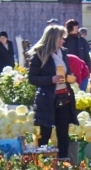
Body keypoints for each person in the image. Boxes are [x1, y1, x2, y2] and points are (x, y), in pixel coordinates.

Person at [28, 25, 78, 159]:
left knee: (63, 134)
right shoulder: (39, 54)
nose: (63, 41)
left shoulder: (63, 53)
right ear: (53, 38)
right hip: (47, 100)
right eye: (61, 38)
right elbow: (32, 78)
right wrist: (51, 79)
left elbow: (66, 71)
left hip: (64, 98)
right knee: (45, 134)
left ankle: (63, 163)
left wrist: (70, 77)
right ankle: (41, 165)